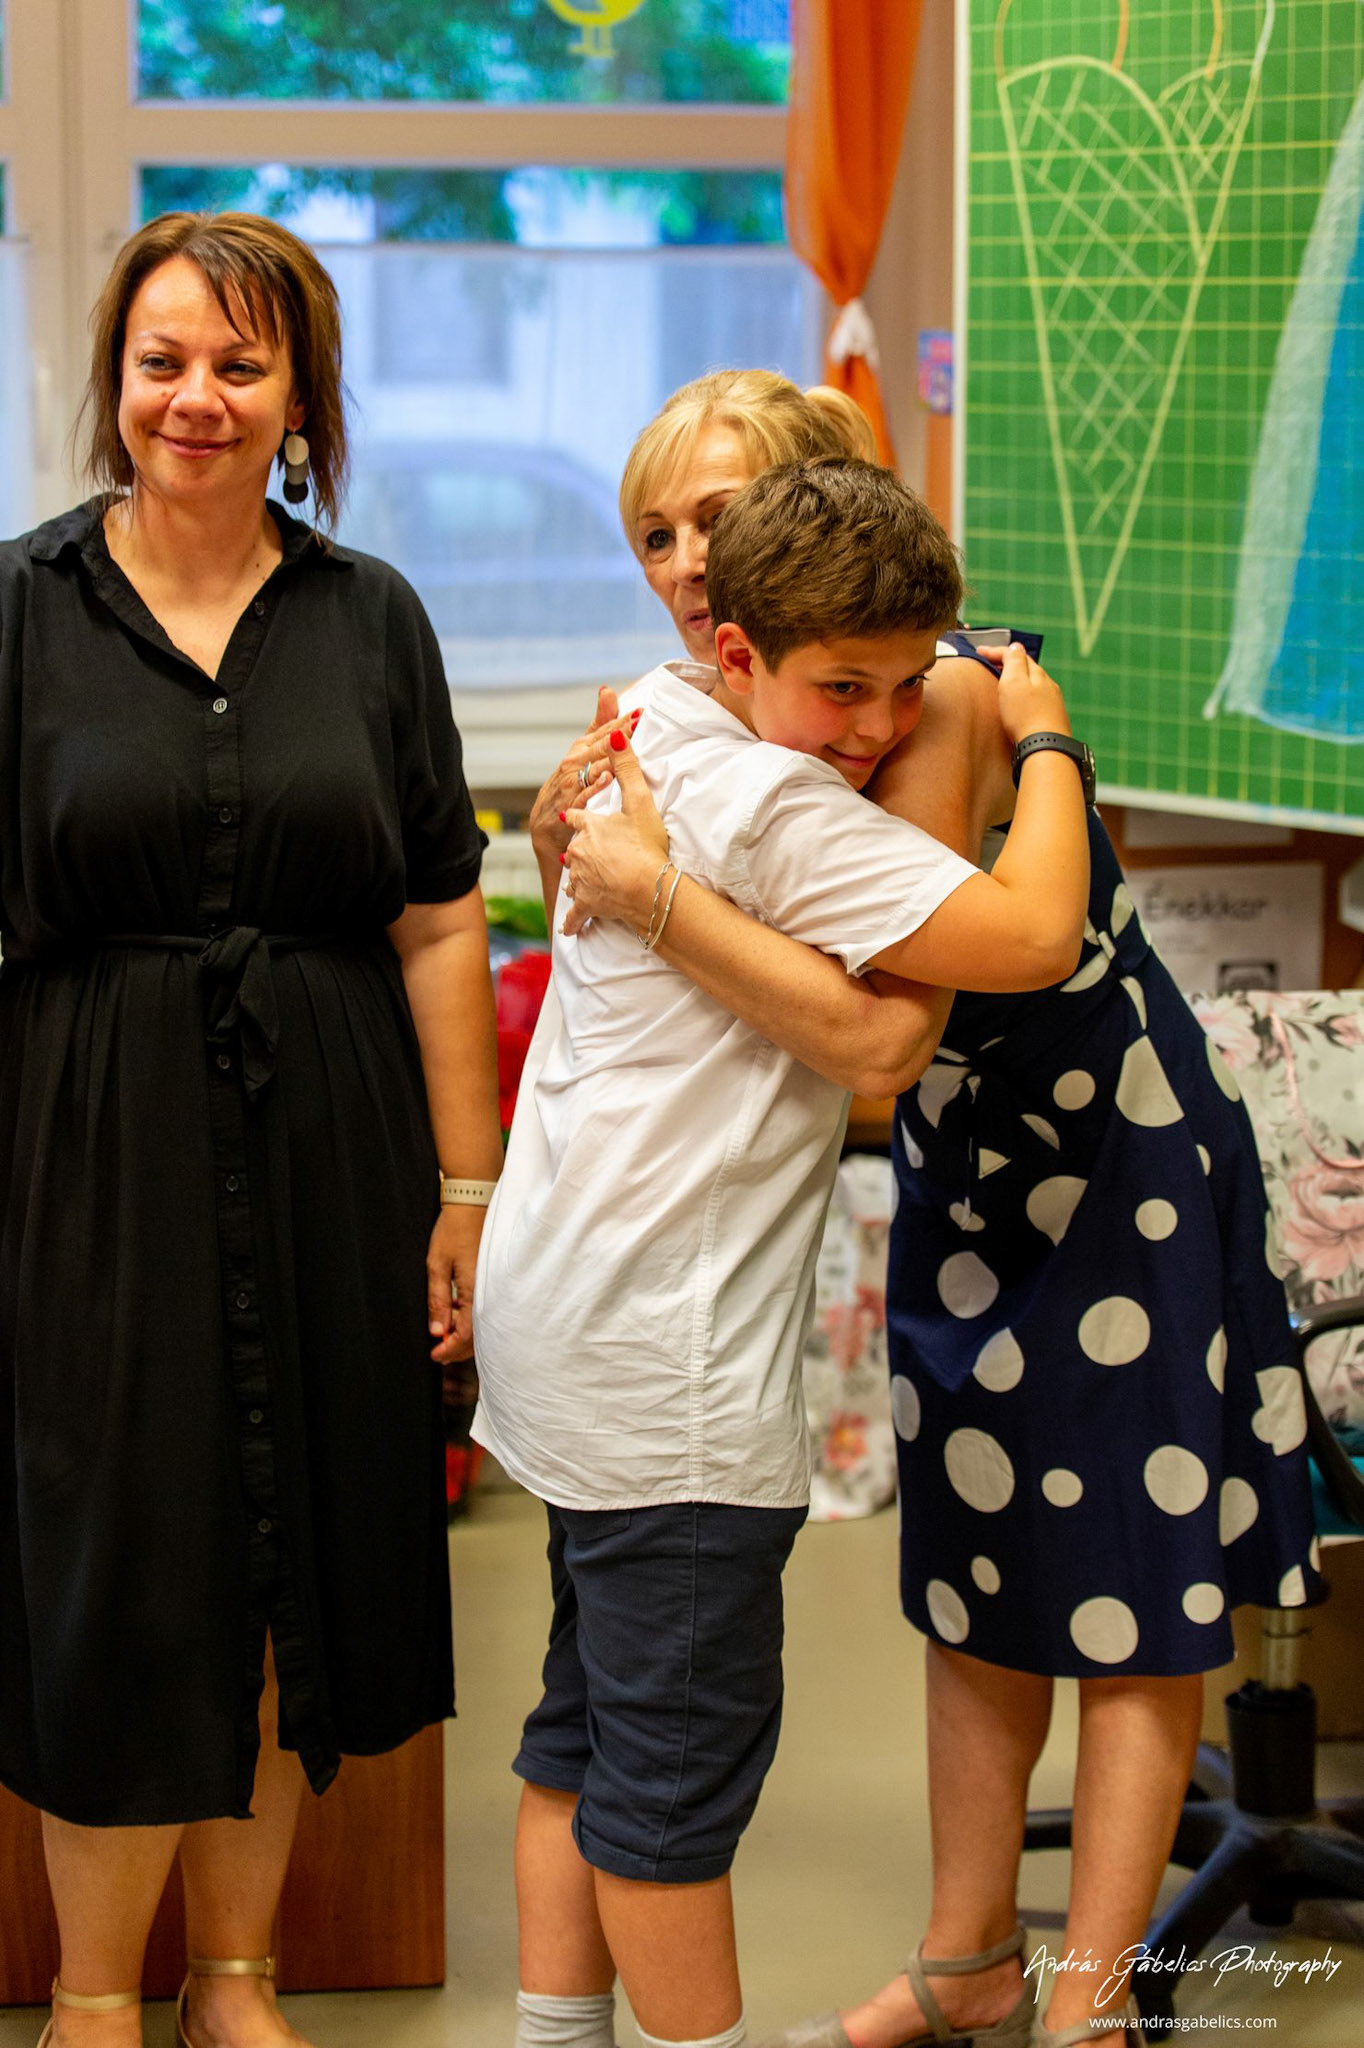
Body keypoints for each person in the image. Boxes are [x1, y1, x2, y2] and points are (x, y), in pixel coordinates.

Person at [549, 411, 1325, 2044]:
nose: (690, 564)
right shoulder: (729, 712)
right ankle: (968, 1960)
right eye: (659, 535)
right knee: (975, 1570)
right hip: (974, 1168)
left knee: (1130, 1573)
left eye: (722, 517)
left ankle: (1090, 2003)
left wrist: (657, 883)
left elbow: (893, 1012)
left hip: (1112, 1160)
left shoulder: (929, 701)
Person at [474, 454, 1090, 2048]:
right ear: (741, 647)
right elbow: (1029, 939)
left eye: (905, 687)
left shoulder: (652, 717)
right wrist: (1037, 737)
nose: (877, 727)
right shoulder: (783, 806)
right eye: (842, 689)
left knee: (585, 1734)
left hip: (569, 1325)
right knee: (676, 1786)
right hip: (667, 1378)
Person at [0, 212, 502, 2048]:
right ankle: (93, 2000)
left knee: (297, 1564)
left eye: (239, 362)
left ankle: (235, 1980)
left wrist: (468, 1188)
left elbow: (438, 920)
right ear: (114, 382)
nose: (196, 397)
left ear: (301, 396)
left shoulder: (374, 620)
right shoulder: (20, 610)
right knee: (117, 1572)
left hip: (332, 1138)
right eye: (163, 361)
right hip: (90, 1144)